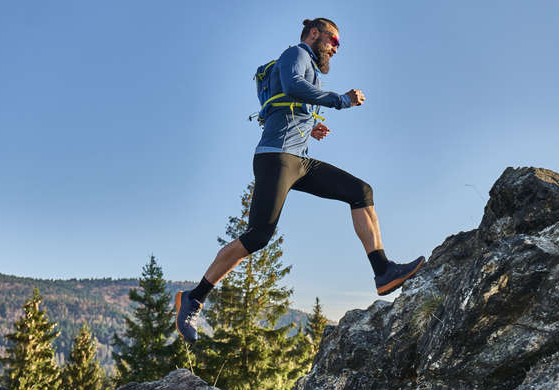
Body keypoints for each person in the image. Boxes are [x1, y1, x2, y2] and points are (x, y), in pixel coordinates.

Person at [175, 18, 424, 342]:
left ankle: (383, 271)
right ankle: (193, 297)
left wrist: (310, 127)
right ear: (315, 34)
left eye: (337, 45)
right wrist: (341, 99)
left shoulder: (312, 69)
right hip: (275, 158)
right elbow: (292, 85)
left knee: (360, 191)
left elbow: (291, 104)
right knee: (258, 236)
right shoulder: (296, 53)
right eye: (333, 40)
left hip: (298, 161)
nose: (335, 48)